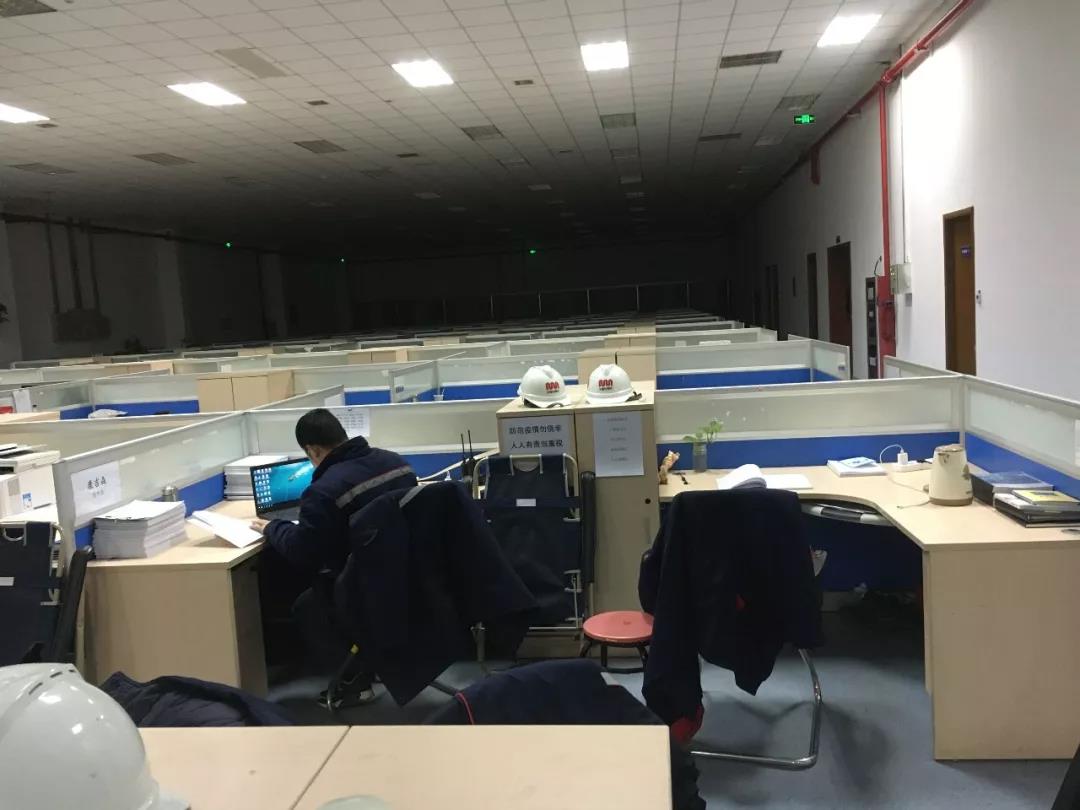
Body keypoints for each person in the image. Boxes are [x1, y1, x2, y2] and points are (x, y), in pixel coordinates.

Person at [250, 408, 417, 705]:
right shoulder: (396, 463)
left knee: (307, 606)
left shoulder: (323, 490)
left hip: (366, 585)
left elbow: (303, 552)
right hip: (410, 572)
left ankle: (354, 683)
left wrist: (273, 527)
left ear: (313, 450)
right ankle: (378, 661)